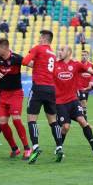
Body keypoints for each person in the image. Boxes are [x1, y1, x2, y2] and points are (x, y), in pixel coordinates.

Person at [54, 46, 93, 158]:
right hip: (60, 102)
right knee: (66, 127)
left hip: (73, 100)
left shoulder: (76, 64)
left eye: (62, 50)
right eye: (59, 50)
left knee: (83, 121)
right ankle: (59, 147)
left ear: (69, 52)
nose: (59, 52)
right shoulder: (55, 65)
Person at [22, 30, 64, 164]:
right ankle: (59, 147)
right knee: (53, 120)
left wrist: (30, 58)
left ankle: (35, 147)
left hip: (38, 87)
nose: (39, 40)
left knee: (31, 119)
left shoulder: (38, 48)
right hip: (50, 89)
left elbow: (24, 62)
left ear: (44, 39)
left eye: (40, 38)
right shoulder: (52, 53)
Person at [0, 38, 31, 159]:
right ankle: (15, 148)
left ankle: (27, 148)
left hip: (16, 94)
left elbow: (31, 64)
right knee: (3, 124)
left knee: (16, 120)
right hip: (4, 94)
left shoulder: (16, 58)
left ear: (4, 48)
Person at [77, 50, 93, 121]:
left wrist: (91, 82)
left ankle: (81, 118)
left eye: (85, 55)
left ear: (88, 56)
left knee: (83, 105)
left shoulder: (91, 65)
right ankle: (85, 122)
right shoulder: (78, 64)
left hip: (87, 88)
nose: (83, 57)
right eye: (82, 55)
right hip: (79, 88)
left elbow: (92, 75)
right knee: (83, 103)